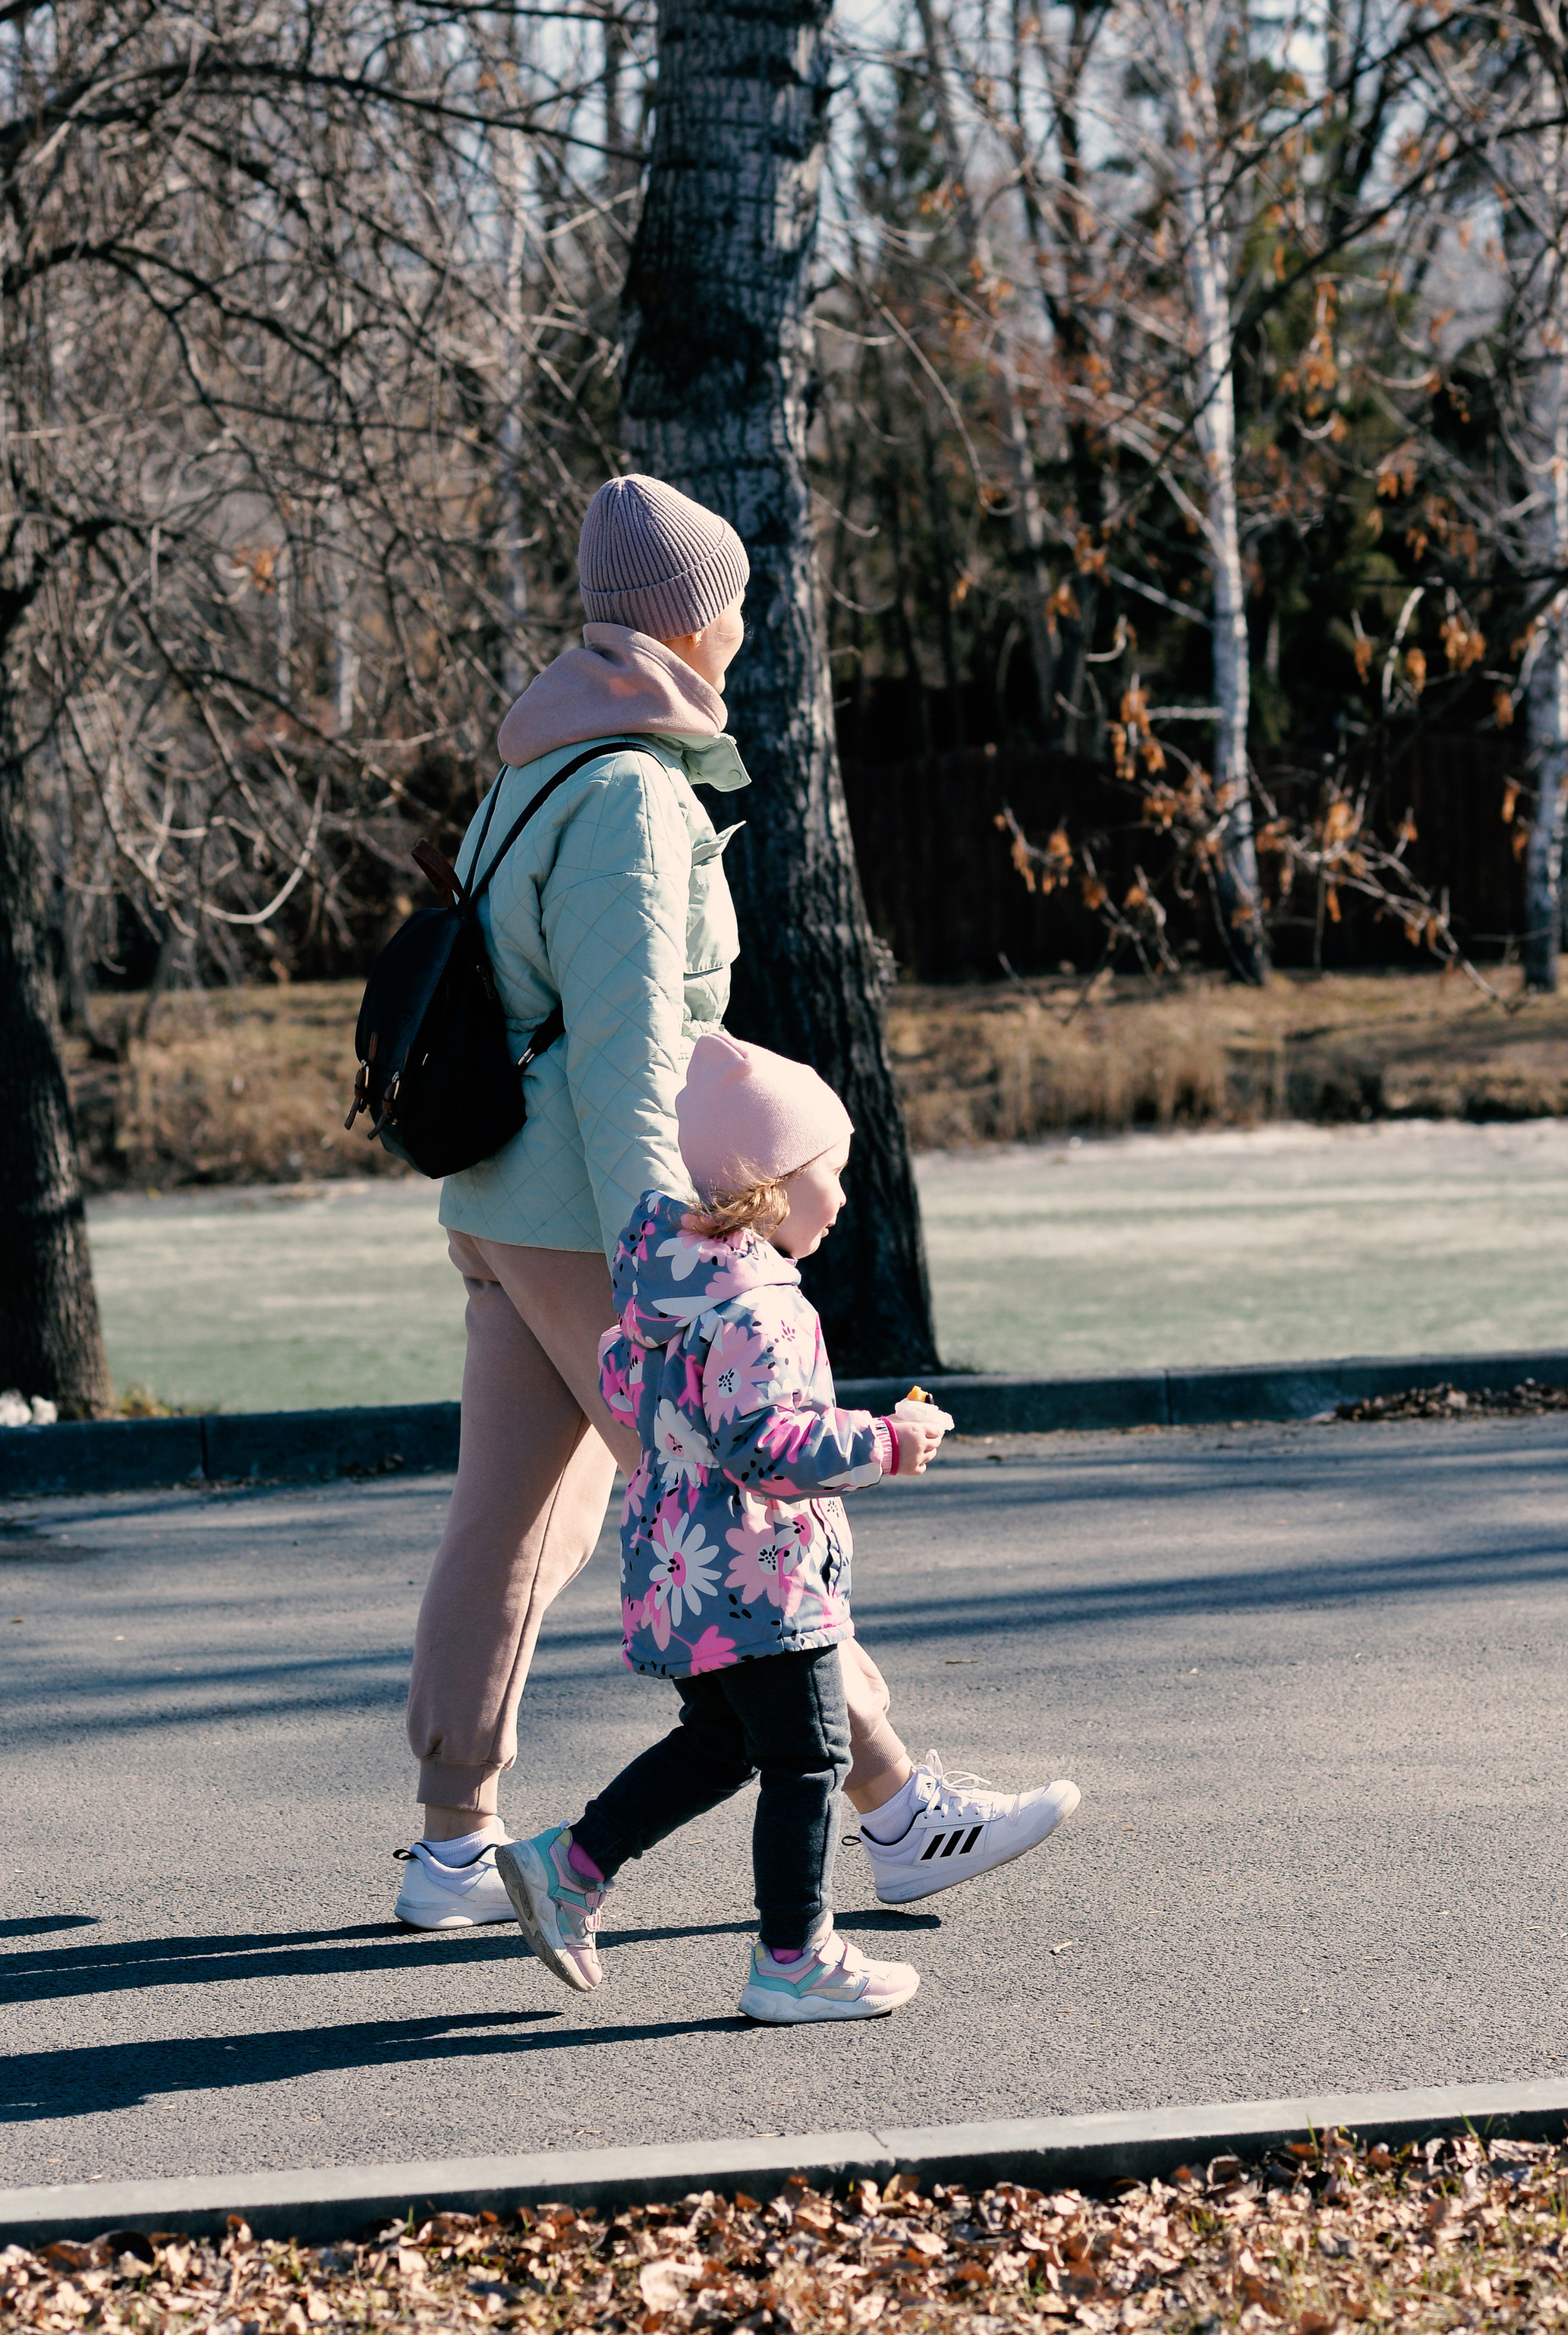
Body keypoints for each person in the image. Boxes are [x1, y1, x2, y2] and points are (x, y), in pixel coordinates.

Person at [395, 472, 1075, 1929]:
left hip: (504, 1204)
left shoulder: (537, 766)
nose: (745, 632)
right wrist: (668, 1247)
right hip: (597, 1224)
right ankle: (894, 1808)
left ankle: (454, 1840)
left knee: (510, 1518)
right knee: (750, 1507)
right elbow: (633, 1050)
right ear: (699, 620)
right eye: (741, 608)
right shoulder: (633, 796)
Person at [499, 1035, 976, 2020]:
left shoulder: (667, 1295)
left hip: (690, 1578)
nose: (842, 1198)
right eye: (829, 1175)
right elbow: (767, 1442)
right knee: (808, 1759)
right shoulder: (758, 1309)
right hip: (764, 1581)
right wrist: (890, 1439)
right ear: (768, 1185)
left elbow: (638, 1395)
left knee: (719, 1744)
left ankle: (571, 1863)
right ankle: (794, 1957)